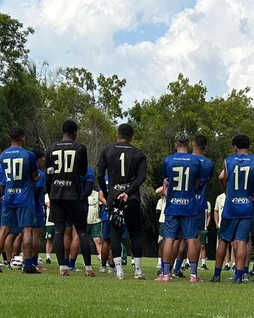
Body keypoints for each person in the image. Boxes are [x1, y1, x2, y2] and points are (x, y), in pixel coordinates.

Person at [214, 134, 254, 283]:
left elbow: (221, 177)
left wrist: (227, 191)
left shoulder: (229, 161)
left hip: (231, 206)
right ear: (248, 146)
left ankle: (216, 275)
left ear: (235, 147)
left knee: (224, 240)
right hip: (247, 205)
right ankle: (239, 275)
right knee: (241, 241)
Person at [94, 123, 148, 280]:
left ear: (117, 135)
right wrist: (128, 191)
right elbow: (142, 177)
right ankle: (138, 271)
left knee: (115, 233)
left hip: (114, 197)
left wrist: (107, 193)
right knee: (135, 234)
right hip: (131, 199)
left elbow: (99, 175)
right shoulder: (138, 153)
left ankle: (119, 271)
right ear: (132, 137)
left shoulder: (107, 150)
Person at [46, 119, 94, 277]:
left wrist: (50, 192)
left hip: (56, 194)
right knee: (82, 232)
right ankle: (88, 268)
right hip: (73, 194)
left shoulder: (51, 148)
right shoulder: (80, 148)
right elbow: (82, 171)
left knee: (59, 231)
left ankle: (62, 267)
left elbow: (48, 174)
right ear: (75, 133)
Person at [156, 132, 207, 283]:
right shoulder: (195, 161)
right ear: (189, 143)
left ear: (175, 144)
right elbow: (198, 183)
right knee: (191, 239)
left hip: (173, 205)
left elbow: (166, 182)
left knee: (169, 239)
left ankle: (165, 274)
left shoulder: (168, 160)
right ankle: (193, 275)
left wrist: (167, 193)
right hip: (189, 205)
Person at [0, 127, 38, 273]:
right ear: (22, 138)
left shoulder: (3, 155)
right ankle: (28, 265)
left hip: (9, 196)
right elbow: (34, 176)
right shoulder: (28, 155)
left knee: (4, 230)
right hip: (24, 197)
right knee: (27, 230)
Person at [193, 135, 215, 270]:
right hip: (200, 201)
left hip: (184, 201)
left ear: (192, 144)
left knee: (178, 237)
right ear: (205, 147)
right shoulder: (209, 164)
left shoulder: (187, 160)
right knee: (196, 238)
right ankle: (194, 271)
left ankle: (172, 267)